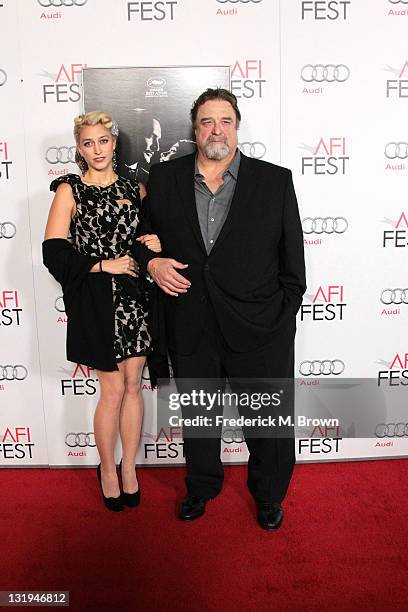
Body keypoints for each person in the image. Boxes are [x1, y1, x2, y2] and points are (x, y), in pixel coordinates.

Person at [135, 88, 306, 530]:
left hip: (260, 326)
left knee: (268, 421)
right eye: (207, 121)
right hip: (190, 321)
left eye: (225, 121)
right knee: (199, 417)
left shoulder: (274, 181)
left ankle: (269, 495)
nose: (217, 130)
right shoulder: (166, 178)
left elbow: (293, 261)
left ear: (237, 127)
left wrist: (282, 314)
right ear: (195, 130)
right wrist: (151, 262)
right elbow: (142, 236)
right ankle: (202, 486)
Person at [42, 111, 162, 512]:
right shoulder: (69, 190)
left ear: (114, 143)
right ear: (79, 148)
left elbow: (147, 241)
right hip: (96, 302)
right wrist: (101, 265)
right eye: (87, 143)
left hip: (136, 300)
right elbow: (54, 252)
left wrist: (154, 244)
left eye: (103, 141)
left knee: (133, 386)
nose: (96, 150)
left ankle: (130, 467)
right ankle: (107, 469)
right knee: (111, 391)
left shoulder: (136, 188)